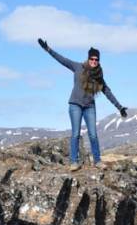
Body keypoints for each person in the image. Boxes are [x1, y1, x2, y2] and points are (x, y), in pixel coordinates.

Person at [38, 39, 127, 171]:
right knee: (75, 133)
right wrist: (49, 50)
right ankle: (74, 162)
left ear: (99, 61)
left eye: (96, 59)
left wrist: (119, 107)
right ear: (88, 58)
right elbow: (62, 60)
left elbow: (107, 92)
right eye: (92, 58)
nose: (94, 61)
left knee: (93, 134)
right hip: (75, 105)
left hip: (89, 106)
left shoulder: (99, 77)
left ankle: (97, 161)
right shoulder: (78, 67)